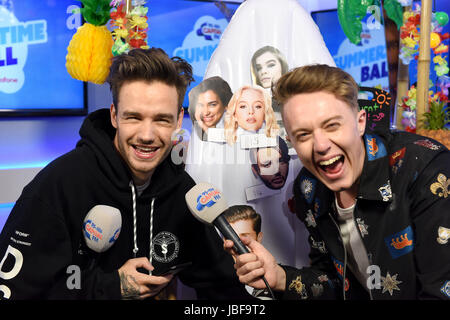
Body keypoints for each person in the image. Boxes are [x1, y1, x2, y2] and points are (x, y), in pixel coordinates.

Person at [0, 48, 244, 300]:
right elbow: (14, 291)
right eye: (134, 117)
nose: (147, 135)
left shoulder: (181, 189)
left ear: (179, 119)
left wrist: (270, 280)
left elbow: (223, 286)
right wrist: (111, 287)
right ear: (115, 115)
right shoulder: (59, 184)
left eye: (161, 119)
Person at [224, 64, 450, 300]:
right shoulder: (308, 188)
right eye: (303, 135)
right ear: (291, 141)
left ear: (360, 122)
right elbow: (335, 282)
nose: (321, 146)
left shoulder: (426, 171)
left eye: (332, 125)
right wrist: (281, 278)